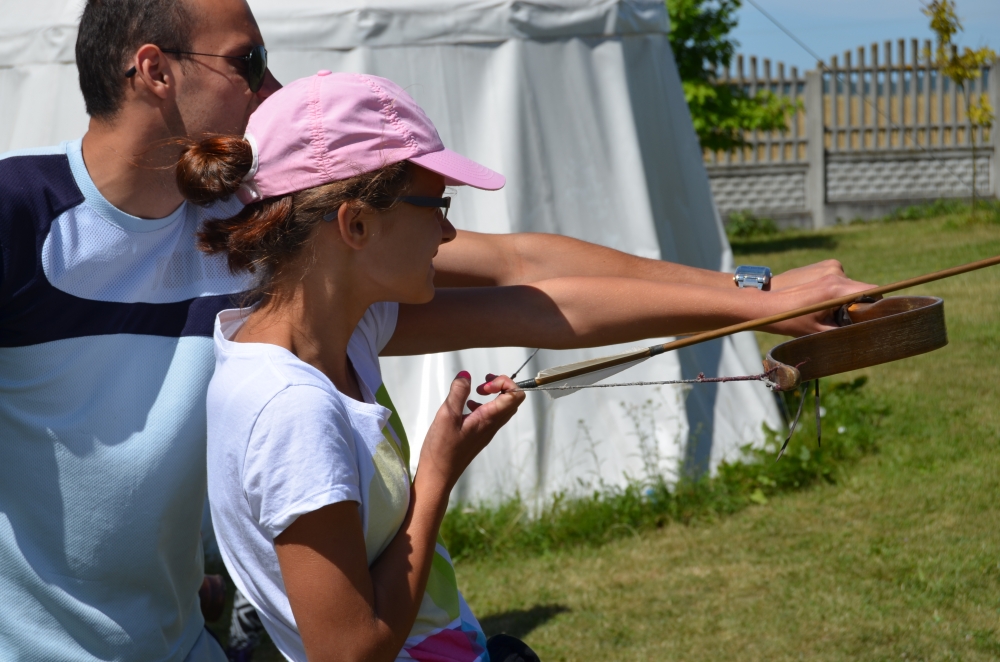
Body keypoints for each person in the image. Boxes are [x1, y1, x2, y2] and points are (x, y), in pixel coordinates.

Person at [0, 0, 867, 659]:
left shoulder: (251, 233)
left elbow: (523, 271)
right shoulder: (17, 217)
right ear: (154, 71)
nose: (272, 89)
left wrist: (754, 292)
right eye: (249, 61)